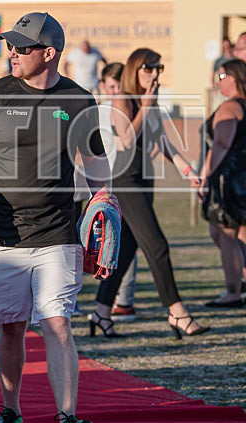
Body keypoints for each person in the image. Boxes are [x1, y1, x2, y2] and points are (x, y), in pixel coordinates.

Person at [0, 12, 112, 423]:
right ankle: (11, 412)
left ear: (49, 53)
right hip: (0, 237)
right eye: (10, 45)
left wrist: (104, 205)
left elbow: (96, 163)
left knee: (57, 322)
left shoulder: (79, 101)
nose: (12, 52)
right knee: (11, 327)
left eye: (21, 46)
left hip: (59, 231)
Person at [91, 48, 209, 339]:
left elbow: (162, 140)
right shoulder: (123, 99)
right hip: (125, 181)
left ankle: (100, 313)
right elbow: (128, 138)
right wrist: (146, 105)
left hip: (144, 180)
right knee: (157, 246)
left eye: (159, 68)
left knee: (127, 251)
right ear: (135, 69)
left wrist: (186, 170)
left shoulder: (150, 100)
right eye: (149, 68)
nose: (155, 74)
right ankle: (177, 312)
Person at [199, 58, 246, 307]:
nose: (217, 81)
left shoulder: (229, 107)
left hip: (228, 180)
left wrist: (207, 177)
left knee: (226, 234)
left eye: (220, 76)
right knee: (230, 233)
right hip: (239, 178)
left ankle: (233, 292)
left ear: (233, 78)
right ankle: (238, 285)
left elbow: (221, 145)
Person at [98, 62, 140, 321]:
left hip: (123, 181)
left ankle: (123, 300)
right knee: (108, 243)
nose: (116, 91)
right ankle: (105, 302)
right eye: (111, 86)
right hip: (105, 183)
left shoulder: (129, 108)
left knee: (128, 240)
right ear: (103, 86)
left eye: (120, 86)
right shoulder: (98, 111)